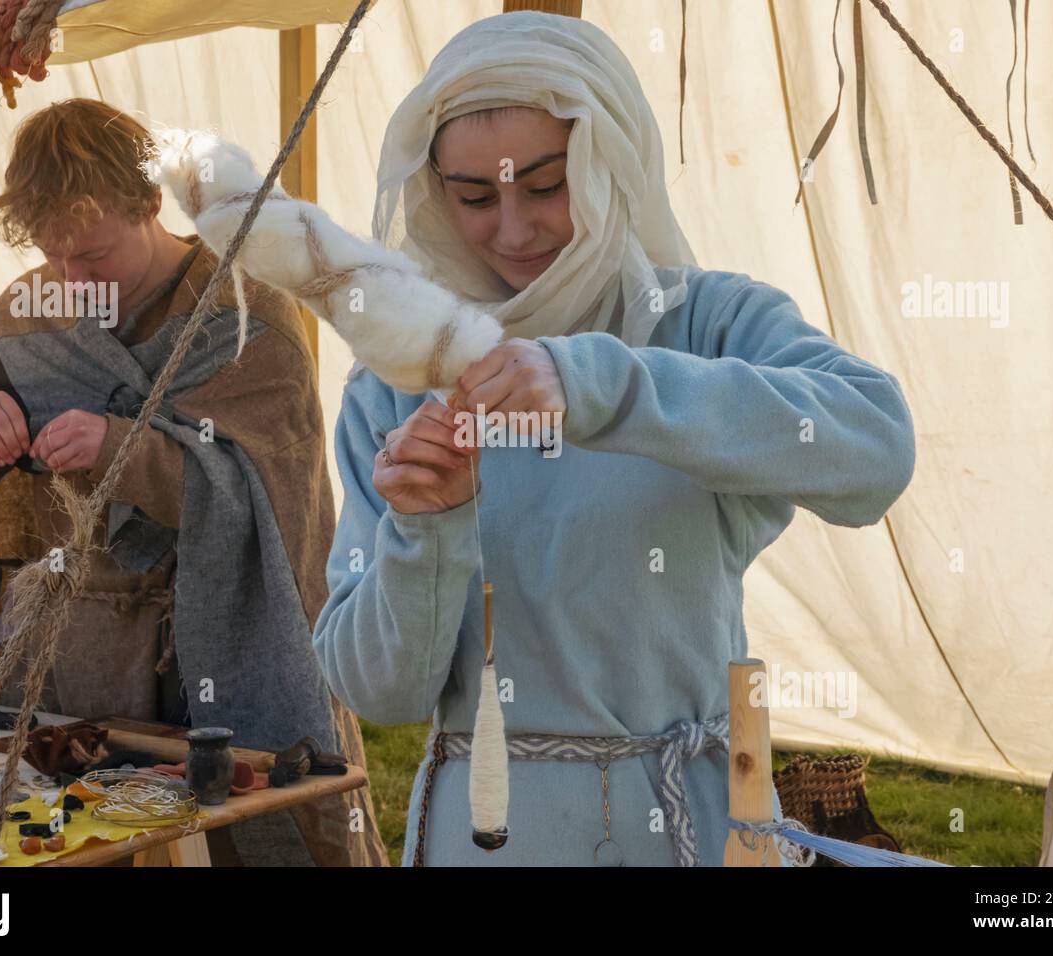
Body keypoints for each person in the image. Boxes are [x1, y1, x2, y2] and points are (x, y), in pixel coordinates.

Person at [311, 12, 915, 867]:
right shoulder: (399, 381)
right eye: (475, 197)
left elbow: (878, 452)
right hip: (488, 837)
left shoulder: (706, 322)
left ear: (611, 162)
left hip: (691, 827)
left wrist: (608, 386)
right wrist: (428, 530)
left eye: (547, 186)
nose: (513, 231)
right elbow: (384, 692)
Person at [0, 98, 387, 866]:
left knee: (251, 844)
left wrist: (124, 447)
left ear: (152, 202)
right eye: (54, 256)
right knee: (80, 846)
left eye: (92, 257)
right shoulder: (30, 313)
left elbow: (273, 491)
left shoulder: (243, 310)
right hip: (77, 670)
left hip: (232, 655)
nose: (71, 279)